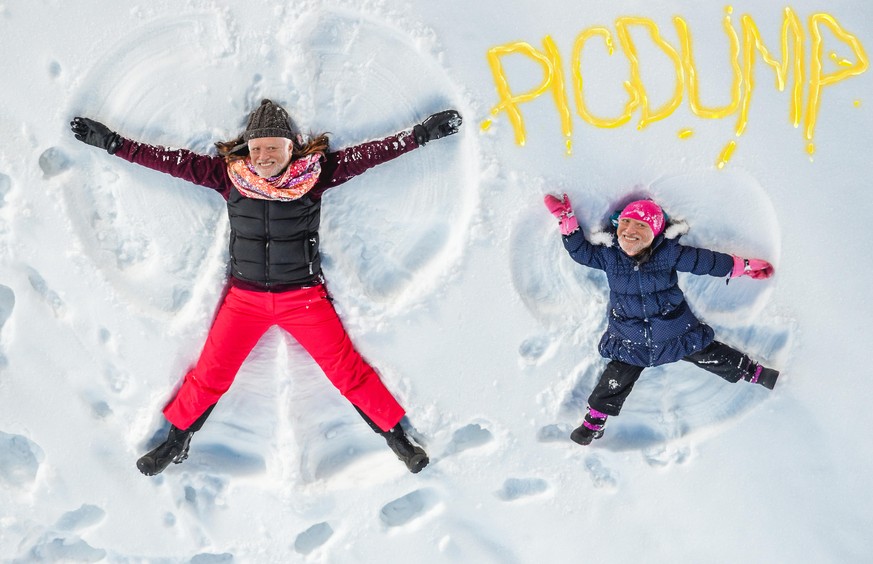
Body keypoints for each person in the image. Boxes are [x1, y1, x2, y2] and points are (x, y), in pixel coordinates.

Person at [70, 99, 462, 474]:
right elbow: (166, 161)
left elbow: (371, 154)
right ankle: (176, 440)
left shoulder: (315, 174)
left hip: (304, 300)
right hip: (245, 301)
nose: (264, 157)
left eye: (273, 147)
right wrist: (111, 143)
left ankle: (397, 439)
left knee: (347, 371)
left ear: (291, 147)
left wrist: (421, 135)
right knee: (211, 373)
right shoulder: (230, 176)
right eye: (258, 148)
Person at [543, 195, 779, 445]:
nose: (631, 231)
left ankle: (753, 372)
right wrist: (565, 219)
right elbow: (581, 252)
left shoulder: (667, 254)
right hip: (630, 337)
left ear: (655, 233)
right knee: (615, 378)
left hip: (674, 331)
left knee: (710, 353)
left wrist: (743, 267)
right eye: (626, 223)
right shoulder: (609, 256)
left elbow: (706, 262)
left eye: (641, 226)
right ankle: (594, 421)